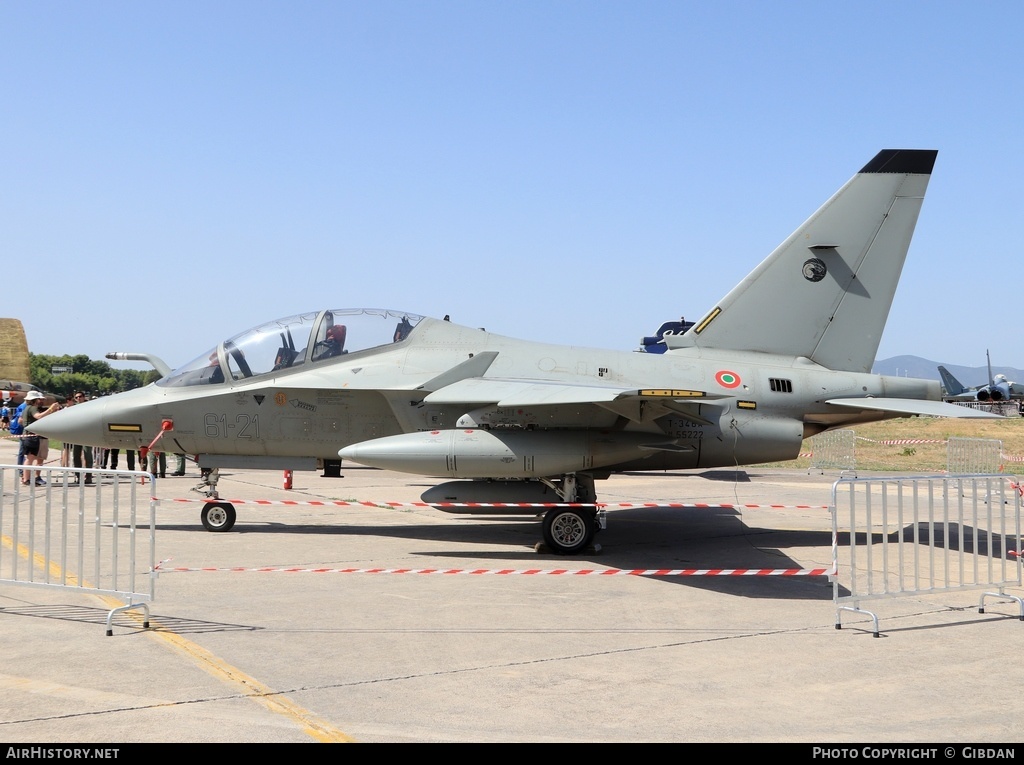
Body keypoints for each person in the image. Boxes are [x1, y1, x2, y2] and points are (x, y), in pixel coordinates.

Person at [19, 391, 60, 486]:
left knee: (31, 458)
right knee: (30, 458)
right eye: (39, 399)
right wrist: (51, 409)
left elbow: (20, 420)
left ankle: (27, 478)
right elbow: (39, 416)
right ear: (35, 400)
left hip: (30, 436)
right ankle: (26, 479)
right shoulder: (33, 408)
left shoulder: (27, 408)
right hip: (32, 437)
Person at [69, 392, 94, 485]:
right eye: (76, 397)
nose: (78, 398)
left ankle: (88, 476)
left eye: (80, 397)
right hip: (76, 435)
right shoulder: (74, 408)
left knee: (88, 455)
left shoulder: (90, 406)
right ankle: (78, 476)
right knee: (76, 456)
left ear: (84, 397)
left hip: (86, 434)